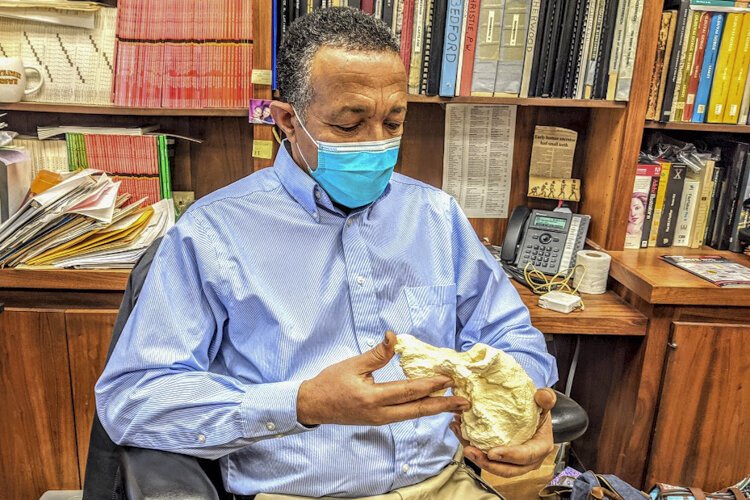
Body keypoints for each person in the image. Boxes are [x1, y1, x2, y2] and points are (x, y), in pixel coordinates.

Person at [96, 7, 558, 499]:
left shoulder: (435, 216)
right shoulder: (213, 233)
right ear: (288, 121)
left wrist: (520, 405)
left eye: (393, 122)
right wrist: (302, 404)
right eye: (349, 125)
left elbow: (511, 333)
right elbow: (134, 399)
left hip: (446, 484)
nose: (377, 144)